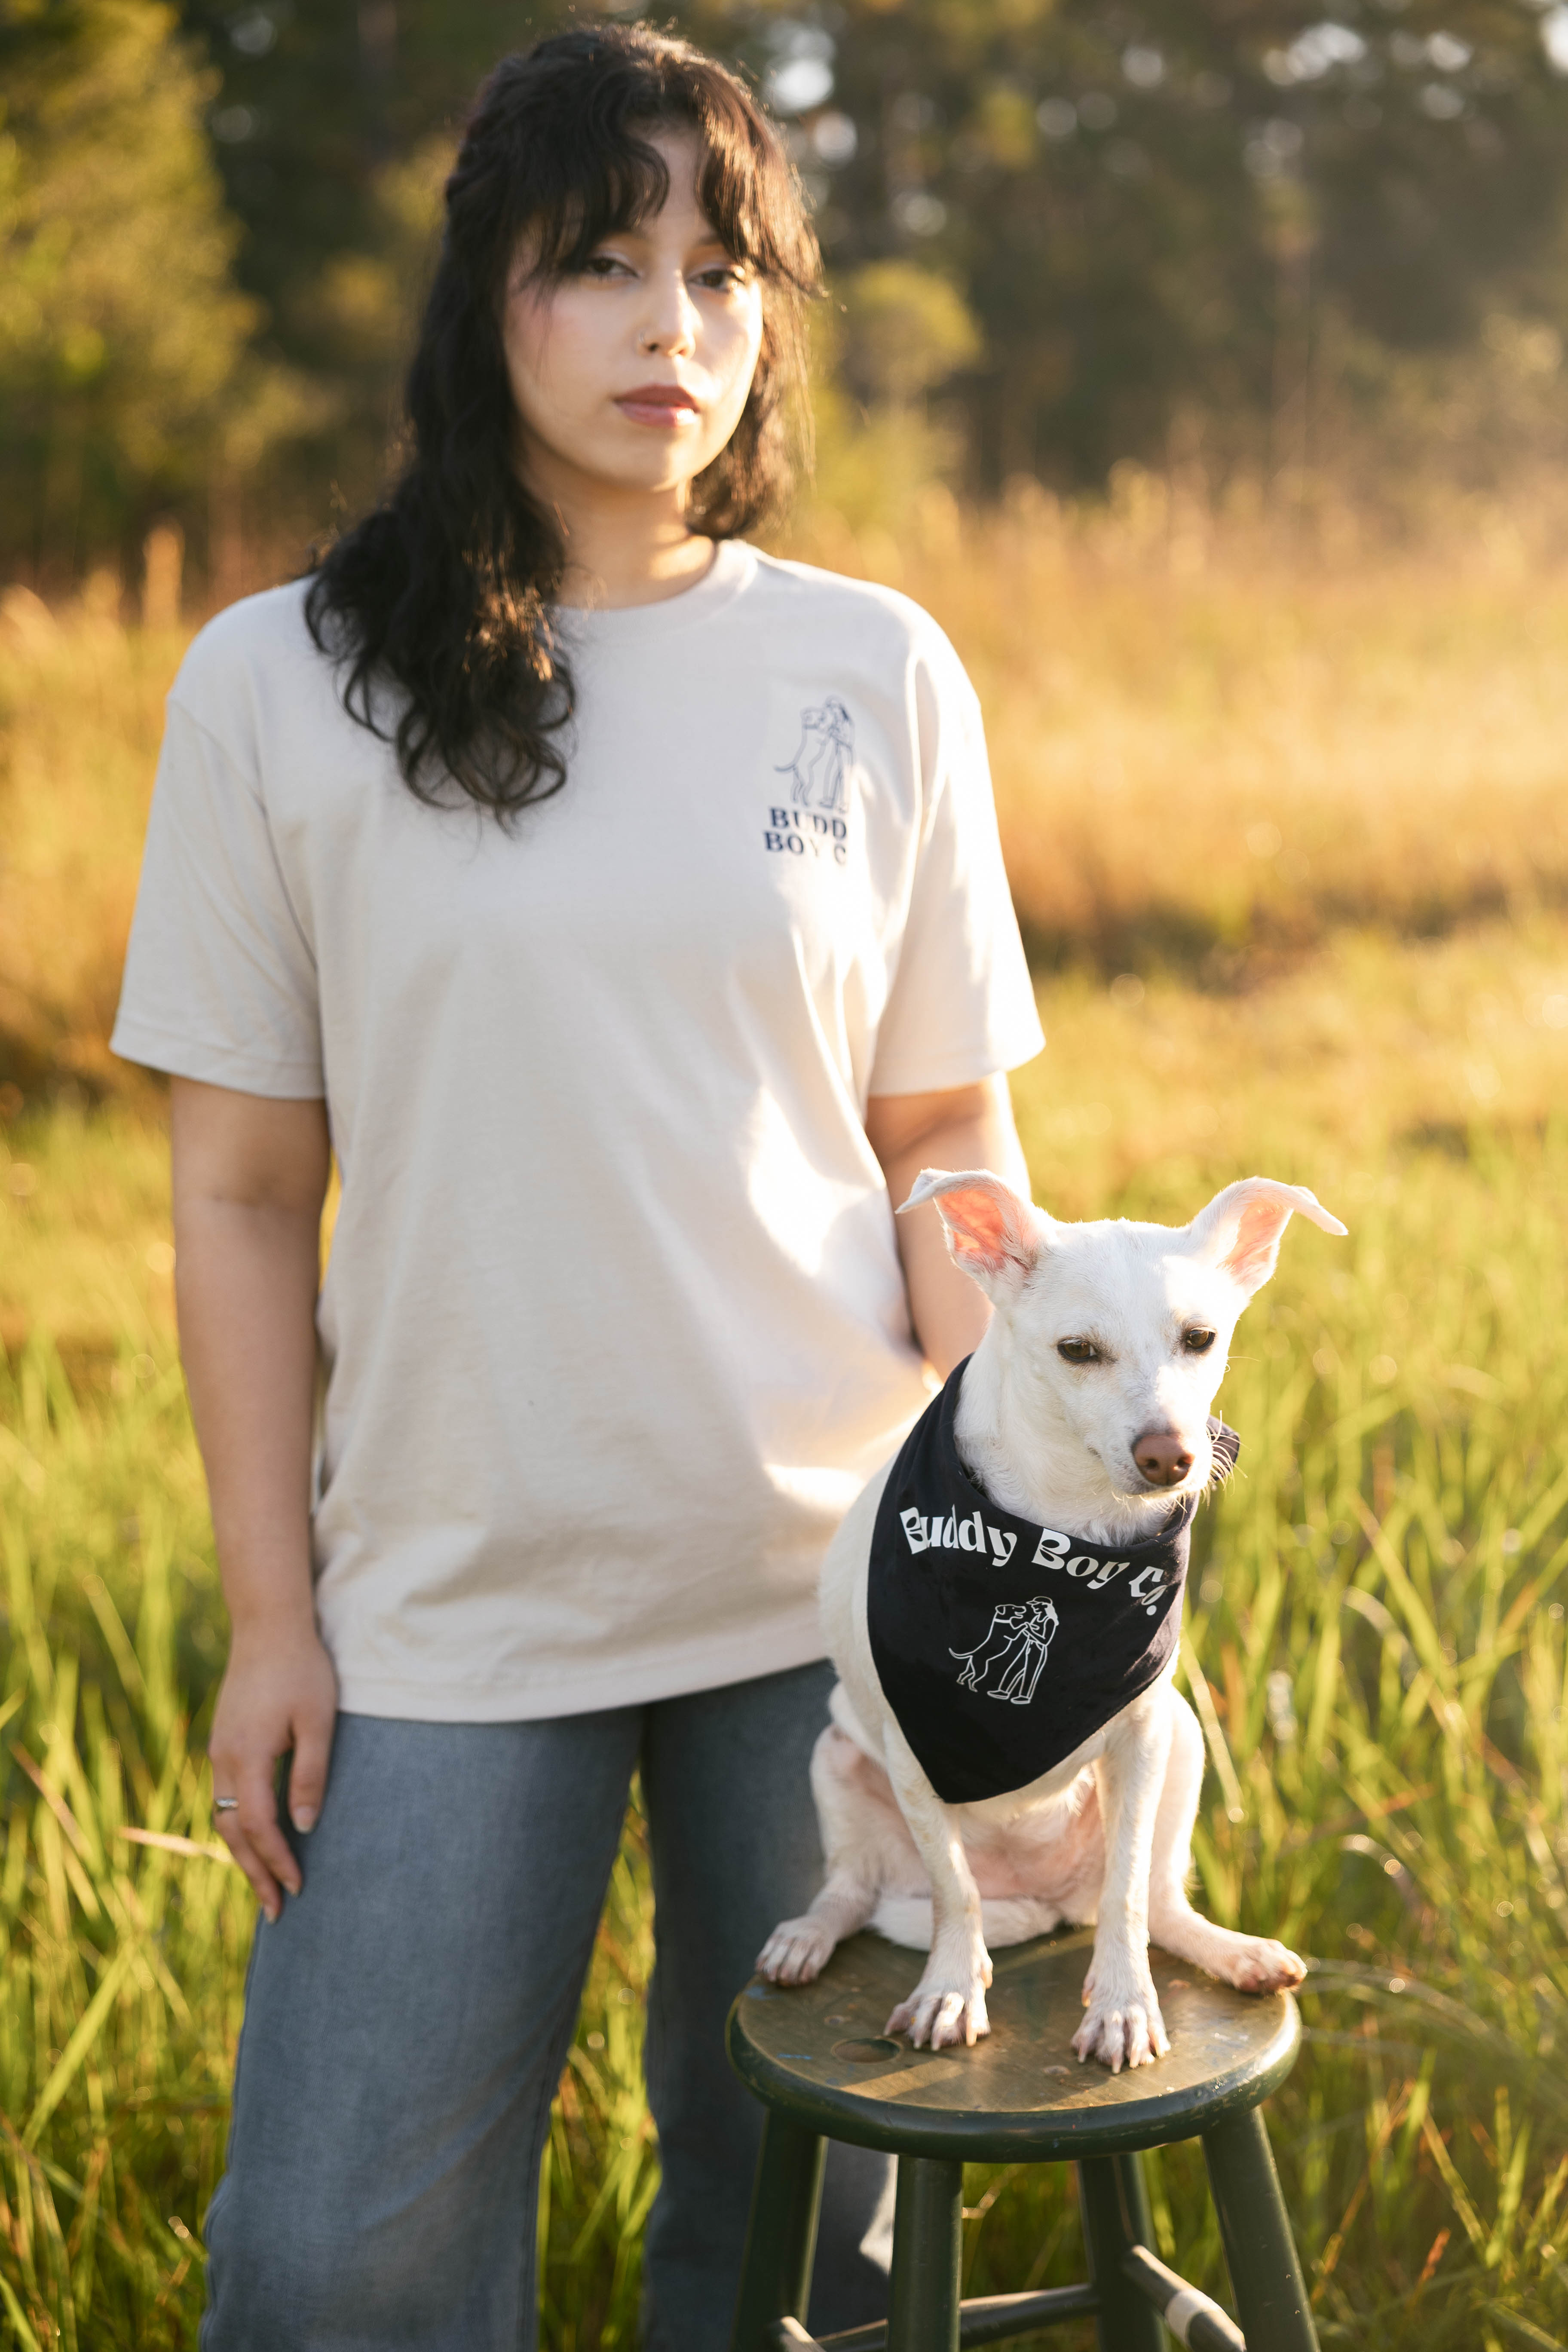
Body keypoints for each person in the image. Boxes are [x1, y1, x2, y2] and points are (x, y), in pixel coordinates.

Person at [111, 24, 1042, 2351]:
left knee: (809, 2244)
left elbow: (942, 1139)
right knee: (336, 2271)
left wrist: (1013, 1557)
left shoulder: (874, 670)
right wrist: (269, 1618)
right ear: (481, 302)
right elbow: (239, 1191)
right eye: (599, 260)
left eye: (724, 271)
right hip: (445, 1608)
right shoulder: (277, 687)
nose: (674, 326)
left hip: (827, 1591)